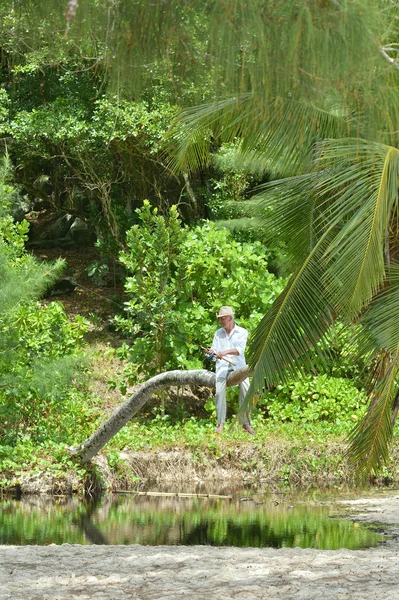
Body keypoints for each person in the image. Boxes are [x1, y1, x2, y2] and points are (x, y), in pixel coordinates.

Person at [206, 306, 255, 435]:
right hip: (222, 366)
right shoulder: (218, 333)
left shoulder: (242, 332)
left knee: (246, 387)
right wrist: (212, 352)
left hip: (238, 365)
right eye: (220, 319)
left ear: (230, 318)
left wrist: (224, 352)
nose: (221, 321)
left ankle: (246, 422)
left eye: (223, 319)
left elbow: (239, 350)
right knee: (219, 391)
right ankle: (221, 423)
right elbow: (215, 351)